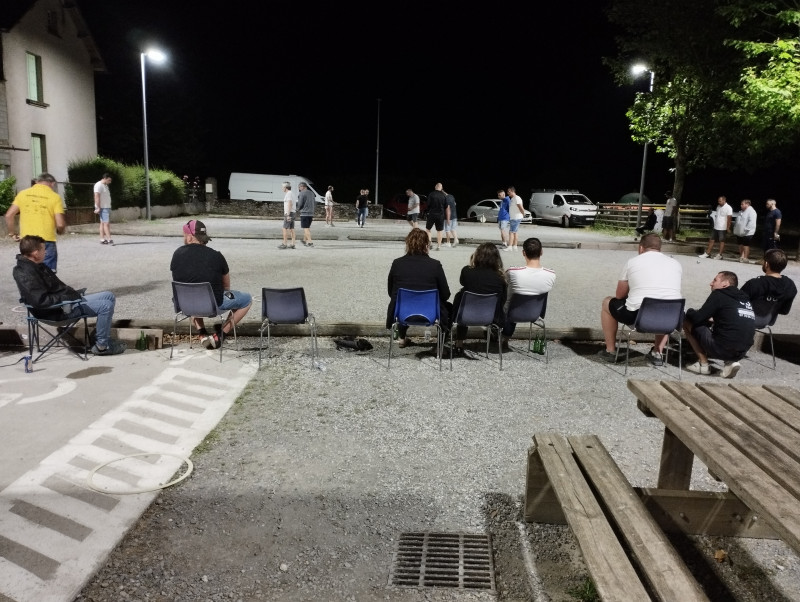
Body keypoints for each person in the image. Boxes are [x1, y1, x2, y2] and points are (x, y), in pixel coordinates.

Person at [13, 235, 125, 355]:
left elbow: (57, 288)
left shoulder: (37, 266)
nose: (46, 252)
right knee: (105, 306)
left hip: (64, 304)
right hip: (56, 312)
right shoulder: (25, 273)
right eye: (43, 249)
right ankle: (102, 346)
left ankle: (99, 338)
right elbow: (41, 301)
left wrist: (73, 294)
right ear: (35, 253)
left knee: (108, 295)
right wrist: (68, 297)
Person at [599, 233, 682, 365]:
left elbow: (619, 295)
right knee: (664, 302)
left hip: (640, 319)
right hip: (671, 319)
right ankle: (657, 353)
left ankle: (610, 350)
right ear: (659, 248)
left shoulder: (632, 262)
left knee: (607, 302)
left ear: (641, 248)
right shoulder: (675, 264)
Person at [170, 220, 252, 349]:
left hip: (185, 305)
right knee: (247, 300)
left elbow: (180, 280)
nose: (183, 238)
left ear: (190, 237)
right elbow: (226, 286)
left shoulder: (177, 254)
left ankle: (202, 334)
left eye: (184, 235)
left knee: (192, 291)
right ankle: (219, 336)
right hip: (212, 306)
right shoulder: (217, 256)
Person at [386, 228, 451, 348]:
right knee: (449, 308)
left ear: (407, 244)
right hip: (430, 312)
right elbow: (445, 294)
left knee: (403, 299)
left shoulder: (397, 263)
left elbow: (391, 292)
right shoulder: (435, 265)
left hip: (403, 312)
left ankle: (402, 337)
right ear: (426, 245)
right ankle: (440, 343)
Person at [684, 271, 755, 379]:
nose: (711, 283)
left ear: (725, 284)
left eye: (715, 280)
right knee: (728, 329)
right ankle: (730, 362)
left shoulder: (719, 294)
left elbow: (697, 317)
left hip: (722, 348)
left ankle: (703, 365)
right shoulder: (745, 299)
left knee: (687, 321)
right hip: (743, 351)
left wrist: (689, 311)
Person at [451, 243, 507, 355]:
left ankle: (459, 342)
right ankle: (493, 333)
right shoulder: (500, 278)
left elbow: (462, 282)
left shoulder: (467, 271)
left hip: (466, 315)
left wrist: (471, 262)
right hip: (491, 317)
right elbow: (503, 299)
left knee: (461, 297)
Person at [4, 173, 66, 272]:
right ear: (52, 183)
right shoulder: (55, 197)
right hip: (46, 240)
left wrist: (12, 233)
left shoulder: (23, 194)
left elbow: (9, 215)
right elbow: (60, 224)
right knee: (48, 273)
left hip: (27, 240)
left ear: (36, 182)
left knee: (29, 271)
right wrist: (60, 231)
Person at [503, 237, 556, 339]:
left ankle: (503, 337)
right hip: (535, 314)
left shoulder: (512, 272)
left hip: (511, 313)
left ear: (523, 253)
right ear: (541, 252)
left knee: (508, 297)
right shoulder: (551, 274)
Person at [741, 248, 797, 322]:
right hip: (768, 320)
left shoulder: (754, 283)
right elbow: (784, 311)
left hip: (746, 321)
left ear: (766, 264)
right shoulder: (790, 285)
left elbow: (737, 303)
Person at [733, 199, 757, 263]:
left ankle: (746, 258)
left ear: (747, 204)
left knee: (746, 245)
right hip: (739, 231)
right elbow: (737, 221)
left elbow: (751, 222)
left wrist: (746, 229)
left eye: (742, 204)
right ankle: (741, 256)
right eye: (741, 204)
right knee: (740, 244)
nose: (741, 205)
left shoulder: (751, 211)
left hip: (747, 232)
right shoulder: (741, 212)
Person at [94, 173, 114, 245]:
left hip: (106, 207)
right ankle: (109, 239)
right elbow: (96, 196)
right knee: (106, 223)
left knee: (102, 223)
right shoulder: (98, 185)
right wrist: (98, 207)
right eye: (109, 180)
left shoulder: (105, 185)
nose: (110, 182)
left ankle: (102, 239)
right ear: (105, 178)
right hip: (103, 207)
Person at [425, 182, 447, 251]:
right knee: (439, 231)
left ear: (435, 187)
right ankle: (439, 246)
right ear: (441, 188)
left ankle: (430, 242)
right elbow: (446, 206)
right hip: (440, 215)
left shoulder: (431, 194)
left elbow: (428, 204)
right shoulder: (444, 195)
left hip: (432, 214)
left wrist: (428, 210)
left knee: (428, 229)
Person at [296, 181, 315, 246]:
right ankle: (304, 240)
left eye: (299, 187)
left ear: (302, 187)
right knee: (307, 227)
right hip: (311, 213)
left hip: (304, 213)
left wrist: (297, 209)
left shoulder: (302, 193)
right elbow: (314, 202)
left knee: (306, 228)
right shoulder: (312, 193)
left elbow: (300, 203)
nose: (299, 189)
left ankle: (310, 242)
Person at [507, 186, 525, 252]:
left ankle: (510, 246)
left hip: (515, 218)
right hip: (513, 217)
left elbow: (520, 207)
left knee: (511, 232)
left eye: (509, 191)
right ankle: (515, 246)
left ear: (512, 191)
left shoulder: (517, 198)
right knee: (515, 232)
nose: (508, 193)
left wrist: (523, 214)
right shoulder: (512, 198)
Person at [278, 182, 296, 249]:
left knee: (284, 228)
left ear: (285, 188)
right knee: (291, 228)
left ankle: (284, 244)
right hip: (292, 212)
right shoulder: (292, 193)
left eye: (282, 187)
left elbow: (290, 203)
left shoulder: (288, 194)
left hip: (289, 213)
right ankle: (293, 244)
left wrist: (287, 215)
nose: (282, 188)